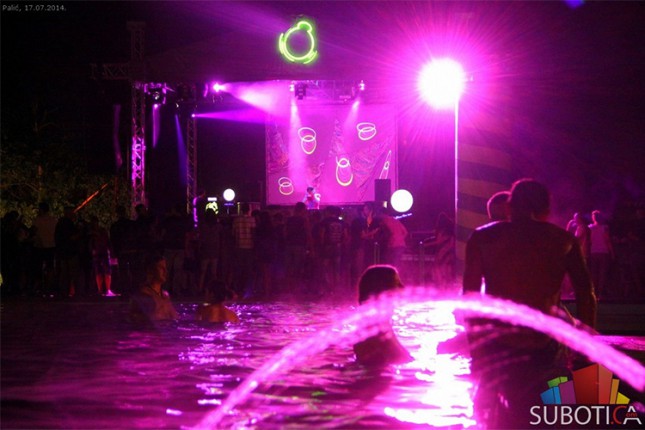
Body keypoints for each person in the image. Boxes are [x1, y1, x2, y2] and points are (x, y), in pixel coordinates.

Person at [463, 178, 597, 427]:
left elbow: (470, 297)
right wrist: (583, 349)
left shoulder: (483, 238)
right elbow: (586, 294)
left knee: (492, 417)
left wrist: (476, 348)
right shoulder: (562, 240)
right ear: (546, 207)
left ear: (510, 205)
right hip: (545, 344)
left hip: (498, 343)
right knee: (553, 415)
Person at [353, 265, 412, 366]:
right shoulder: (374, 330)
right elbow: (395, 362)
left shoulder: (380, 324)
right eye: (397, 283)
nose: (403, 288)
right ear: (383, 291)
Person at [129, 255, 179, 322]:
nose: (165, 271)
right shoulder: (144, 295)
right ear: (151, 270)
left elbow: (175, 317)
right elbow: (136, 319)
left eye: (165, 268)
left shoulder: (165, 295)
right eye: (161, 267)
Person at [588, 210, 614, 298]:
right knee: (602, 274)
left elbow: (589, 241)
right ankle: (601, 292)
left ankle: (594, 292)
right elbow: (607, 240)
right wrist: (612, 252)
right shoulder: (604, 227)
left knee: (594, 273)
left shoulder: (590, 227)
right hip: (603, 252)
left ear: (593, 218)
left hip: (593, 252)